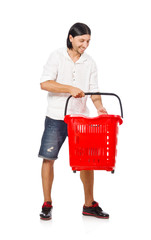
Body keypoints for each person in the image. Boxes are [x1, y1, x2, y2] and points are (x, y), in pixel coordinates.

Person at [38, 22, 109, 220]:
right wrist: (69, 88)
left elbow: (94, 91)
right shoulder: (56, 56)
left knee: (88, 162)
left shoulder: (90, 62)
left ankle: (89, 205)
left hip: (80, 119)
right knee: (48, 159)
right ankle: (47, 203)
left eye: (88, 41)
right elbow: (45, 83)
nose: (85, 45)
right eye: (81, 40)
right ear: (71, 37)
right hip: (56, 117)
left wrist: (99, 106)